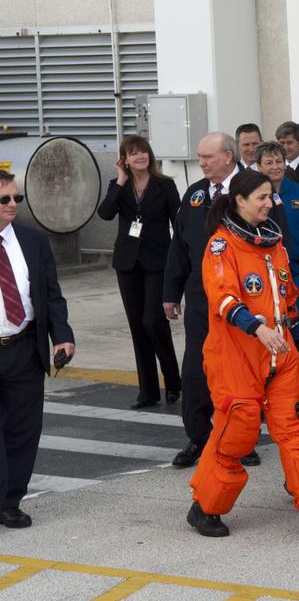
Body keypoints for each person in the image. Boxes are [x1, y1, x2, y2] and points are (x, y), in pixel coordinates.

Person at [186, 169, 299, 538]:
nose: (269, 203)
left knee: (294, 430)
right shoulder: (221, 246)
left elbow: (287, 302)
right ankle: (205, 507)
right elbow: (223, 297)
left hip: (280, 353)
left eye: (271, 196)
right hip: (236, 355)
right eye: (261, 197)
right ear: (239, 201)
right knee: (236, 432)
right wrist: (256, 327)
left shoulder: (274, 245)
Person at [164, 133, 260, 468]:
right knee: (195, 370)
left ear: (229, 157)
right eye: (200, 157)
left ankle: (241, 439)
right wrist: (170, 293)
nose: (201, 163)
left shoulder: (252, 190)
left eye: (207, 157)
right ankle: (198, 437)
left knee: (238, 372)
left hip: (243, 301)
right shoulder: (196, 194)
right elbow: (179, 247)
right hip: (201, 297)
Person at [0, 170, 74, 529]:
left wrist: (62, 334)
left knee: (23, 429)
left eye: (17, 198)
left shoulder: (32, 241)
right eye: (6, 200)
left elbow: (51, 293)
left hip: (24, 347)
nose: (14, 205)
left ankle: (11, 501)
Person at [96, 135, 182, 408]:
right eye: (133, 154)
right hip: (127, 263)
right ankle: (148, 391)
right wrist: (120, 180)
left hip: (158, 262)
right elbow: (105, 213)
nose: (140, 157)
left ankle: (173, 381)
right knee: (137, 327)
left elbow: (178, 224)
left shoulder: (165, 185)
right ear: (125, 159)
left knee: (153, 322)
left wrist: (180, 263)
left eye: (143, 152)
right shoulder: (118, 186)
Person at [256, 142, 299, 354]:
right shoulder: (252, 198)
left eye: (279, 162)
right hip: (266, 275)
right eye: (269, 162)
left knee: (297, 331)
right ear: (259, 166)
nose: (275, 167)